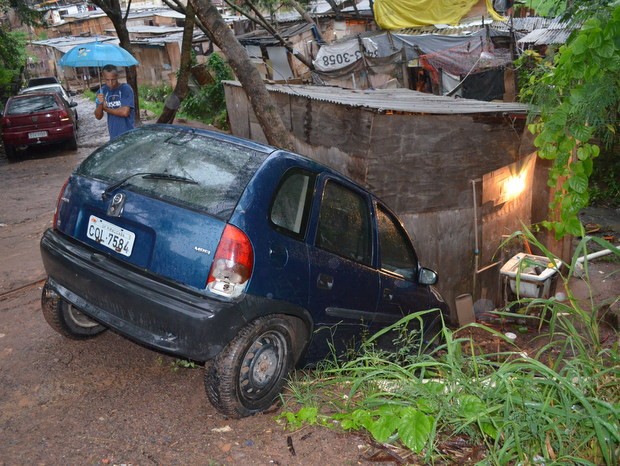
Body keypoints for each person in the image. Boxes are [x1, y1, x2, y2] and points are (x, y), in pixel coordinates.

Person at [94, 64, 135, 140]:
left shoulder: (125, 89)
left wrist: (106, 109)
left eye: (113, 79)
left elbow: (125, 112)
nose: (110, 83)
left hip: (128, 134)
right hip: (113, 136)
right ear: (103, 77)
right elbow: (98, 117)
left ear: (117, 76)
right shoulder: (101, 92)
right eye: (107, 80)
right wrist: (100, 103)